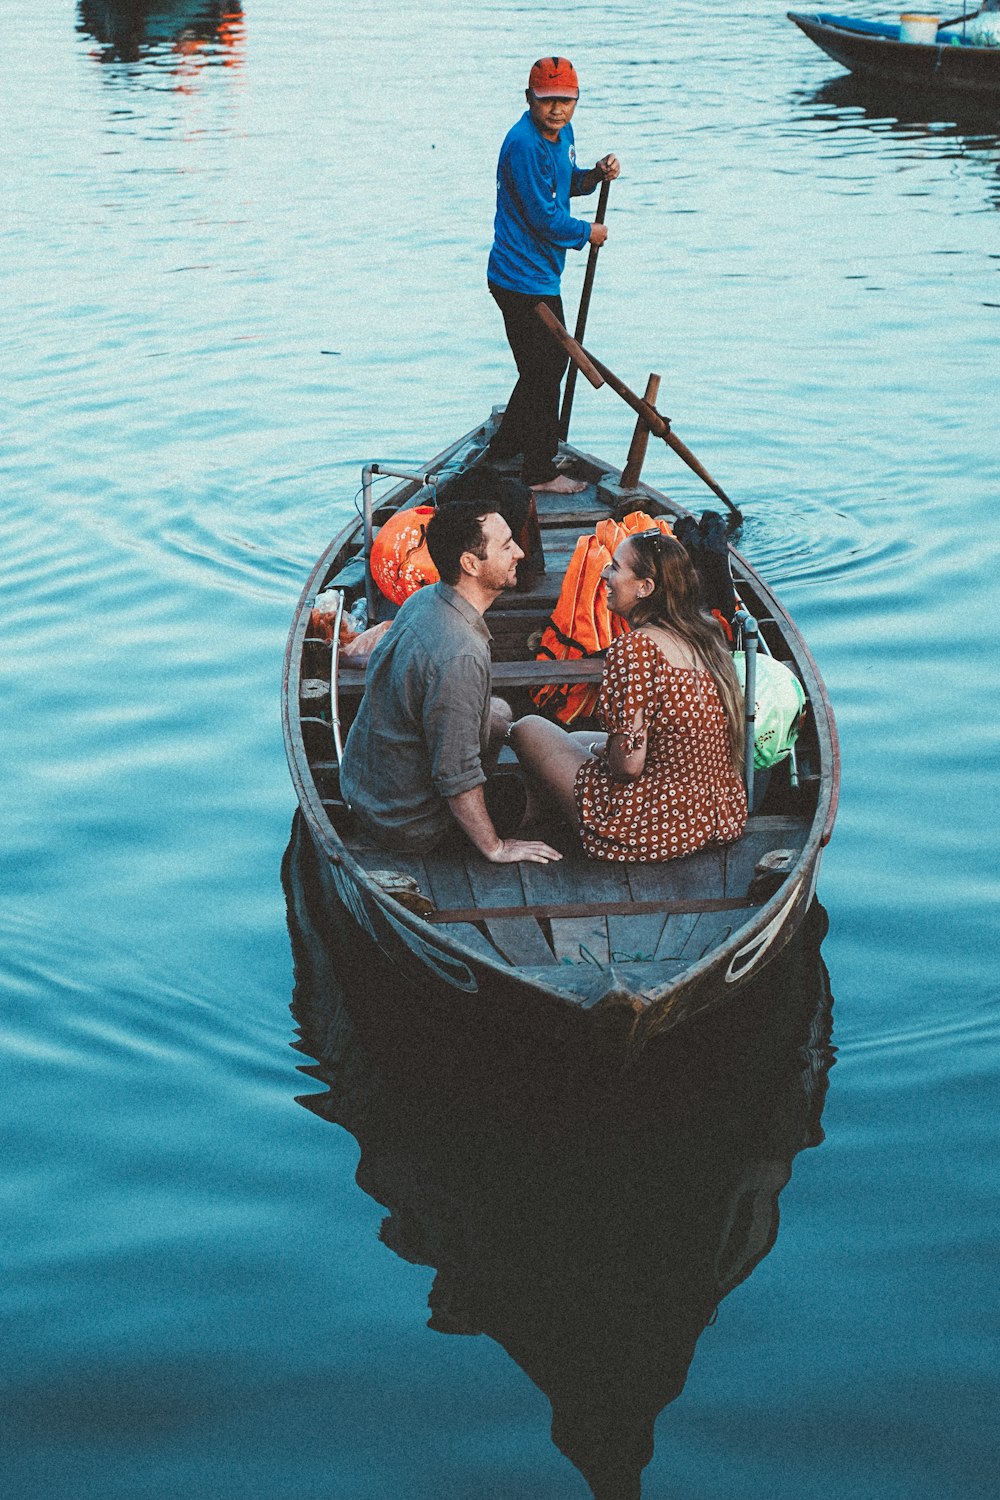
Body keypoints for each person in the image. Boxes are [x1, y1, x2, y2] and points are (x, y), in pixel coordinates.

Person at [339, 502, 562, 865]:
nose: (520, 552)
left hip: (364, 786)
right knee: (552, 797)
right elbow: (455, 776)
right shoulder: (460, 655)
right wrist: (496, 847)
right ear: (470, 564)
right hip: (409, 823)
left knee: (501, 711)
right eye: (506, 546)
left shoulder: (425, 598)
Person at [509, 532, 748, 862]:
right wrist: (597, 748)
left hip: (651, 826)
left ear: (645, 587)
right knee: (575, 737)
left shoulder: (637, 649)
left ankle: (519, 807)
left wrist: (600, 751)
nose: (605, 574)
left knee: (528, 728)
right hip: (717, 817)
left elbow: (627, 768)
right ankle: (535, 803)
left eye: (615, 568)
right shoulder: (706, 634)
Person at [487, 56, 620, 494]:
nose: (557, 110)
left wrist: (595, 177)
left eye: (566, 101)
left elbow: (564, 186)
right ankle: (539, 471)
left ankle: (509, 447)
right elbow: (543, 217)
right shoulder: (523, 144)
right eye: (547, 101)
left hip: (541, 275)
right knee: (546, 369)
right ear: (530, 100)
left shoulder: (562, 136)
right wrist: (587, 232)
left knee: (540, 368)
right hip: (518, 279)